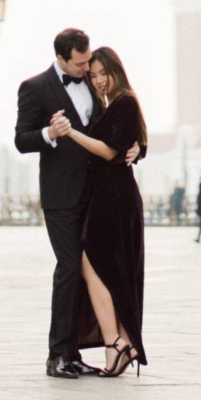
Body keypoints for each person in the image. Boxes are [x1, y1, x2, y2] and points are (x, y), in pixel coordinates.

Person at [14, 28, 139, 380]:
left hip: (99, 196)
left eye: (90, 63)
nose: (88, 70)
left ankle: (80, 352)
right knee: (69, 269)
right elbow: (22, 140)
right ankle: (58, 355)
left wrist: (137, 149)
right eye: (82, 63)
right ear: (62, 58)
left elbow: (116, 130)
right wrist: (50, 134)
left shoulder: (97, 87)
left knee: (95, 271)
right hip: (62, 197)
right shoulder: (35, 88)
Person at [54, 46, 148, 377]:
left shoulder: (124, 101)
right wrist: (139, 148)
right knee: (106, 270)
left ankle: (116, 343)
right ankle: (120, 342)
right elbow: (130, 141)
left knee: (92, 265)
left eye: (103, 74)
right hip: (108, 197)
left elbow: (110, 151)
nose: (98, 81)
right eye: (93, 76)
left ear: (116, 71)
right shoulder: (115, 105)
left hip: (114, 199)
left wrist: (71, 133)